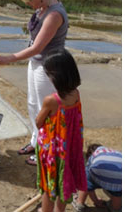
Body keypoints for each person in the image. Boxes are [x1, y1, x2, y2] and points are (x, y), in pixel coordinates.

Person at [0, 0, 69, 166]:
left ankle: (48, 148)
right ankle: (36, 140)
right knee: (33, 104)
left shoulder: (54, 14)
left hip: (49, 66)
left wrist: (7, 58)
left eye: (30, 0)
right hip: (35, 63)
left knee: (47, 108)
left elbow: (37, 48)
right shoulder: (40, 3)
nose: (28, 4)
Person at [35, 49, 86, 212]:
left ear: (56, 77)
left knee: (49, 186)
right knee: (64, 181)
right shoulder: (76, 94)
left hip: (52, 151)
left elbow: (38, 122)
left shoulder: (51, 100)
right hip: (69, 147)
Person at [72, 144, 123, 212]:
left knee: (87, 175)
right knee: (117, 189)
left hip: (100, 171)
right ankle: (115, 208)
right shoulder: (113, 152)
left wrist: (96, 201)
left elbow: (89, 187)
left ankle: (79, 203)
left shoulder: (95, 154)